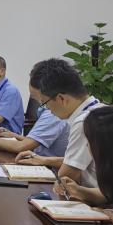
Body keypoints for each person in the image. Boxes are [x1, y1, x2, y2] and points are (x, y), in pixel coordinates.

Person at [15, 58, 103, 186]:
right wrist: (44, 160)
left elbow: (65, 179)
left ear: (61, 98)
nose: (47, 110)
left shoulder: (84, 122)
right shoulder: (99, 109)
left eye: (44, 103)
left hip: (97, 201)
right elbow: (77, 162)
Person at [0, 102, 68, 158]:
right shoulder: (47, 110)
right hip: (36, 156)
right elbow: (35, 142)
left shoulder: (52, 114)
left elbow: (21, 147)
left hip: (49, 168)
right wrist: (14, 136)